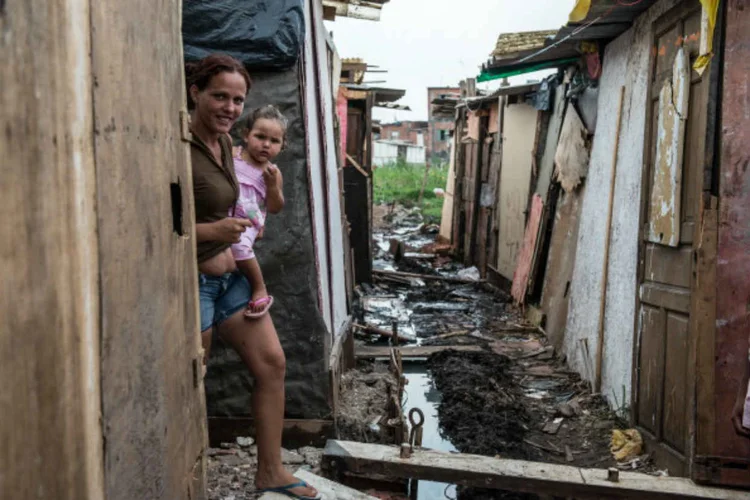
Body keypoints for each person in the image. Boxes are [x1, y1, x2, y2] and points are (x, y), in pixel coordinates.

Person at [186, 54, 320, 500]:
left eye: (237, 99)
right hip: (197, 285)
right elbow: (154, 226)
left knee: (273, 365)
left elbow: (257, 201)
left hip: (231, 282)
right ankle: (185, 480)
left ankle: (271, 471)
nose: (228, 107)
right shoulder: (177, 147)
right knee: (191, 381)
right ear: (196, 93)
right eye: (219, 96)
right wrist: (214, 232)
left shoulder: (225, 144)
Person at [231, 105, 287, 318]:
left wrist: (272, 186)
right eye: (260, 136)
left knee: (240, 245)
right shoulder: (233, 154)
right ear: (246, 135)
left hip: (248, 218)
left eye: (274, 141)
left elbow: (274, 207)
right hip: (225, 210)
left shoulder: (272, 172)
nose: (266, 145)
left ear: (282, 145)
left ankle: (259, 286)